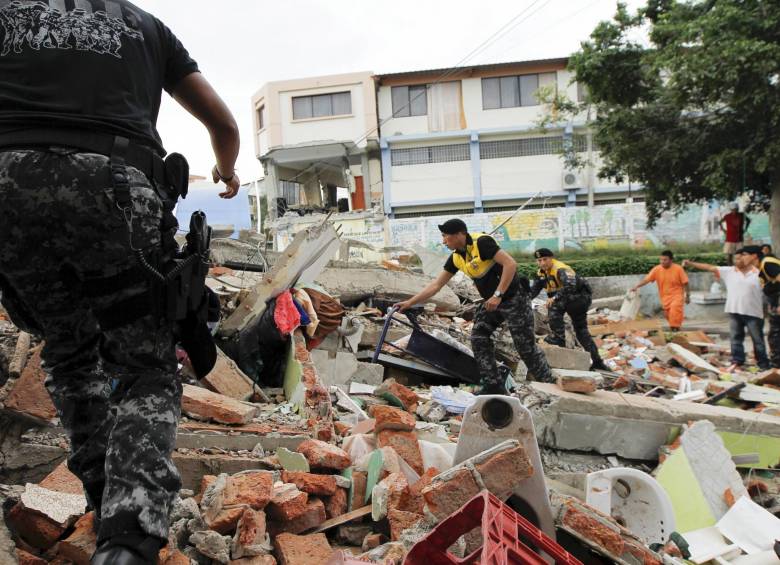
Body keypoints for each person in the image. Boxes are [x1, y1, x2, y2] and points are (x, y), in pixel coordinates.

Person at [0, 2, 240, 564]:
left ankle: (101, 495)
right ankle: (128, 539)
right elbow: (224, 124)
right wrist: (227, 170)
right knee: (144, 366)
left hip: (5, 189)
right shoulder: (144, 26)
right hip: (111, 186)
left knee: (68, 351)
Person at [395, 219, 553, 393]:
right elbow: (436, 286)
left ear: (459, 234)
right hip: (492, 302)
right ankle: (494, 385)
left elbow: (510, 264)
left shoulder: (482, 243)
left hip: (514, 298)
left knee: (525, 347)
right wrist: (409, 302)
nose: (443, 241)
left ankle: (549, 383)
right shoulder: (456, 257)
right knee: (478, 336)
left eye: (445, 236)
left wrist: (497, 295)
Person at [682, 251, 770, 370]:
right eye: (735, 259)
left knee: (757, 340)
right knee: (735, 338)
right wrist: (690, 263)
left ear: (747, 259)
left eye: (739, 259)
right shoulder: (728, 271)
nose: (736, 261)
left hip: (753, 312)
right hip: (734, 311)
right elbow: (709, 267)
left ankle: (763, 364)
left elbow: (771, 289)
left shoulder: (759, 273)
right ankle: (737, 361)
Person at [530, 249, 608, 371]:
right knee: (581, 332)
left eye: (545, 259)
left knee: (553, 306)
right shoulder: (541, 274)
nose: (543, 263)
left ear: (552, 258)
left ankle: (558, 338)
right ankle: (597, 361)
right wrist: (523, 301)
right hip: (567, 299)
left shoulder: (561, 268)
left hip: (579, 298)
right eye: (539, 260)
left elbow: (570, 286)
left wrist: (555, 298)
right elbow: (533, 291)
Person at [631, 251, 690, 331]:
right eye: (661, 260)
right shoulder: (657, 269)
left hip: (677, 295)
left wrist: (687, 296)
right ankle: (675, 328)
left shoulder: (678, 269)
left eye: (665, 260)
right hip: (664, 297)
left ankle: (674, 329)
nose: (662, 262)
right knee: (668, 315)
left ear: (671, 260)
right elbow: (646, 279)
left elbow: (685, 282)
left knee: (675, 310)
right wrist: (636, 286)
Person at [753, 245, 780, 368]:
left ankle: (777, 366)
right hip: (774, 303)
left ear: (753, 256)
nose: (739, 260)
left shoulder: (767, 263)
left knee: (775, 335)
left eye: (742, 256)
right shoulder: (763, 265)